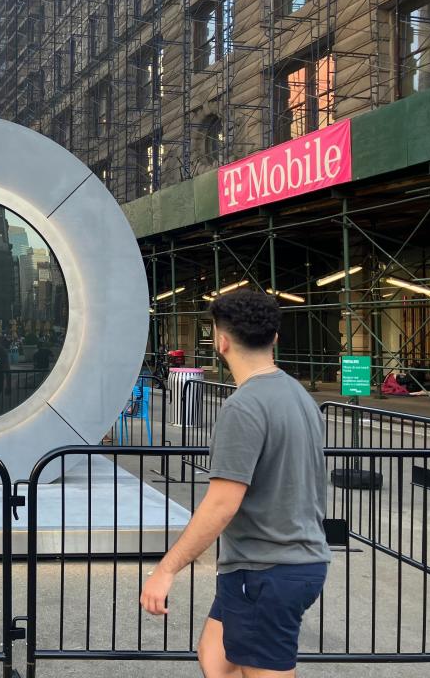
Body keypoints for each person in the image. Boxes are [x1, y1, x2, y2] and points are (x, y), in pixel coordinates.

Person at [140, 290, 330, 677]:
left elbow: (222, 503)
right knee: (215, 654)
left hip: (266, 570)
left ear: (221, 341)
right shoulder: (297, 395)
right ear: (274, 337)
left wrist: (167, 569)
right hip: (285, 562)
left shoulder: (244, 406)